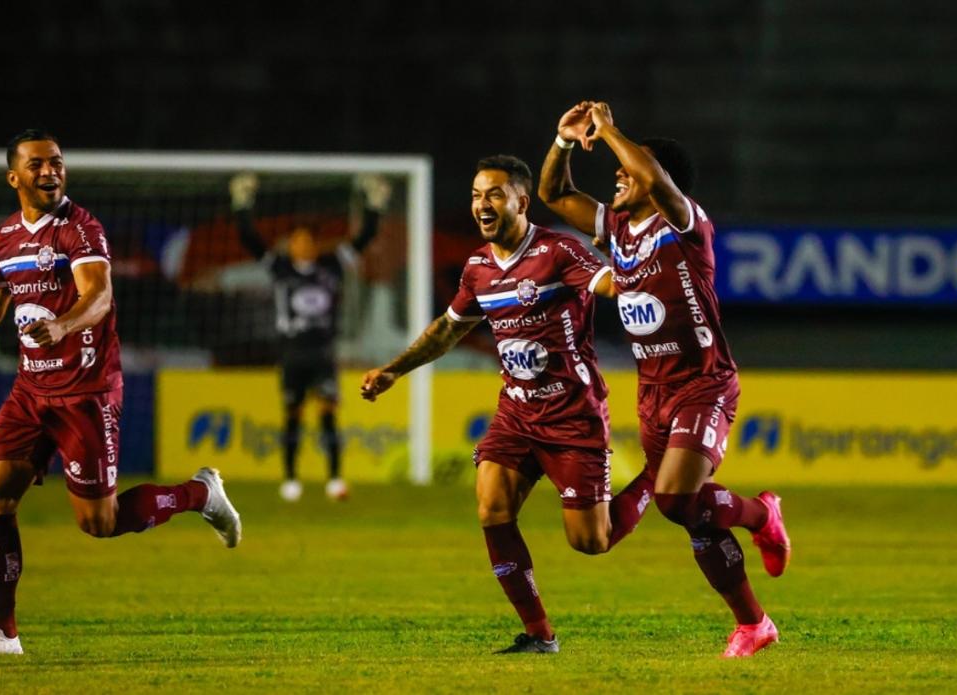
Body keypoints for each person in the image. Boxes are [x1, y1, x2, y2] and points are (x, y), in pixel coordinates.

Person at [0, 129, 241, 657]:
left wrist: (64, 326)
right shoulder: (4, 240)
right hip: (31, 391)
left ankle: (200, 494)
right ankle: (3, 633)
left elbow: (99, 297)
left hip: (86, 392)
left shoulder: (81, 229)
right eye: (37, 165)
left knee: (100, 523)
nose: (49, 171)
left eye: (56, 162)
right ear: (14, 177)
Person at [361, 155, 652, 654]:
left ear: (521, 200)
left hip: (571, 415)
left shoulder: (559, 251)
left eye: (494, 194)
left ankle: (657, 474)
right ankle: (539, 633)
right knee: (492, 505)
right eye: (477, 195)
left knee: (591, 542)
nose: (482, 204)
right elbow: (449, 329)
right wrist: (394, 369)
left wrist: (634, 266)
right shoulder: (477, 267)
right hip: (517, 414)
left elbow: (610, 284)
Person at [538, 102, 790, 657]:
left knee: (677, 499)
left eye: (630, 171)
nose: (619, 177)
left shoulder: (685, 222)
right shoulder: (620, 228)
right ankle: (753, 623)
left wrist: (609, 132)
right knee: (694, 516)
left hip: (704, 382)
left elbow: (652, 176)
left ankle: (760, 512)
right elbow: (554, 196)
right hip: (653, 391)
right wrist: (563, 142)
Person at [230, 172, 390, 501]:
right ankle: (290, 478)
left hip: (322, 352)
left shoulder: (331, 265)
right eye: (297, 241)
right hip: (291, 354)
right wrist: (242, 203)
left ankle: (334, 478)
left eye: (307, 241)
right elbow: (249, 238)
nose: (302, 246)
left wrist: (375, 204)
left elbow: (365, 238)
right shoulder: (280, 267)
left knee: (328, 412)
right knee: (292, 415)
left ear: (315, 245)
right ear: (291, 245)